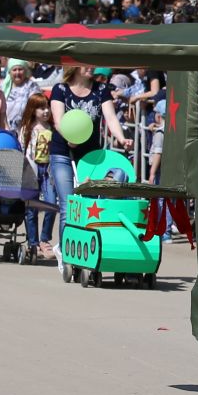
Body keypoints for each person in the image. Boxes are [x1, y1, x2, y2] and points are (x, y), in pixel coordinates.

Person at [47, 64, 128, 226]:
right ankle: (65, 250)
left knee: (90, 203)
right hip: (63, 152)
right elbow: (58, 121)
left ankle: (85, 246)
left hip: (91, 156)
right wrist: (70, 138)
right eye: (85, 64)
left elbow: (111, 118)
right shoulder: (60, 89)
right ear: (74, 67)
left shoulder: (101, 89)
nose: (91, 67)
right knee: (68, 205)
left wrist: (122, 138)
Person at [17, 92, 56, 264]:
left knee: (51, 203)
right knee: (31, 207)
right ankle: (33, 242)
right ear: (33, 110)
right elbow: (22, 150)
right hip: (32, 169)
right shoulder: (27, 129)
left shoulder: (53, 128)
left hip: (48, 170)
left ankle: (44, 239)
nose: (46, 111)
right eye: (41, 108)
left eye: (47, 107)